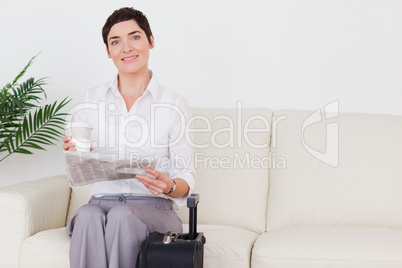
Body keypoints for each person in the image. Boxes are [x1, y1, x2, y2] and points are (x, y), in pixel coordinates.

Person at [62, 7, 195, 268]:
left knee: (123, 215)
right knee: (87, 216)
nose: (126, 48)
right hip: (100, 203)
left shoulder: (175, 104)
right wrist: (76, 156)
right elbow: (78, 172)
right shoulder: (91, 99)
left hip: (155, 208)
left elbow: (186, 179)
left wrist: (167, 185)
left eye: (135, 37)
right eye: (116, 41)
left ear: (150, 41)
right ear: (108, 51)